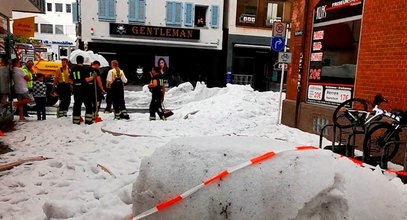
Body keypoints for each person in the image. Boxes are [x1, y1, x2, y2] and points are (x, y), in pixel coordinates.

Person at [70, 55, 93, 125]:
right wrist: (93, 76)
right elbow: (87, 80)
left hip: (76, 89)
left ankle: (76, 120)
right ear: (83, 61)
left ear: (76, 61)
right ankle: (88, 120)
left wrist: (74, 84)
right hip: (84, 89)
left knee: (77, 104)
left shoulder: (73, 69)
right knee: (88, 104)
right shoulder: (84, 69)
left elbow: (70, 80)